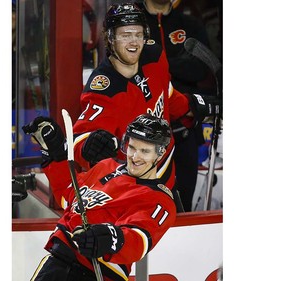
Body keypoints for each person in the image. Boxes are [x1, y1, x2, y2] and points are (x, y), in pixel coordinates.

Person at [70, 2, 219, 210]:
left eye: (138, 34)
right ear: (110, 38)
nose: (133, 42)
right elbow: (80, 139)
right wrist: (89, 146)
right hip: (134, 193)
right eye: (125, 34)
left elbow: (166, 95)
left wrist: (192, 106)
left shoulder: (154, 55)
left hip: (168, 178)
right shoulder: (103, 88)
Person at [22, 114, 177, 281]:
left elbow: (138, 240)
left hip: (96, 273)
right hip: (56, 263)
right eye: (132, 148)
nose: (135, 157)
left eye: (145, 151)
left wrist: (110, 238)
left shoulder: (159, 198)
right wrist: (56, 154)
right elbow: (70, 195)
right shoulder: (106, 166)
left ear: (160, 154)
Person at [137, 0, 217, 211]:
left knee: (183, 206)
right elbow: (128, 66)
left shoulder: (190, 24)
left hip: (183, 129)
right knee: (144, 206)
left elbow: (201, 69)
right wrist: (178, 62)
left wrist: (158, 65)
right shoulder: (133, 23)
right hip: (140, 132)